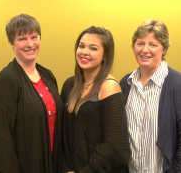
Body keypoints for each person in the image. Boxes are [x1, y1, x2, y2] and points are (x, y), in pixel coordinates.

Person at [0, 14, 63, 173]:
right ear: (11, 43)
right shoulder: (7, 80)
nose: (30, 44)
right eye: (22, 39)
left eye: (34, 37)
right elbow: (1, 138)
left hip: (53, 163)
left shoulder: (48, 75)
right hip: (24, 166)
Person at [61, 26, 131, 173]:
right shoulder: (69, 85)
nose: (84, 52)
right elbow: (64, 135)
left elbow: (116, 147)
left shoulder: (109, 87)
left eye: (93, 48)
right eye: (81, 46)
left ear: (105, 55)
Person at [120, 19, 181, 172]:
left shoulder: (176, 84)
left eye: (153, 44)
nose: (145, 50)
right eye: (140, 43)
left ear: (164, 49)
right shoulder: (126, 83)